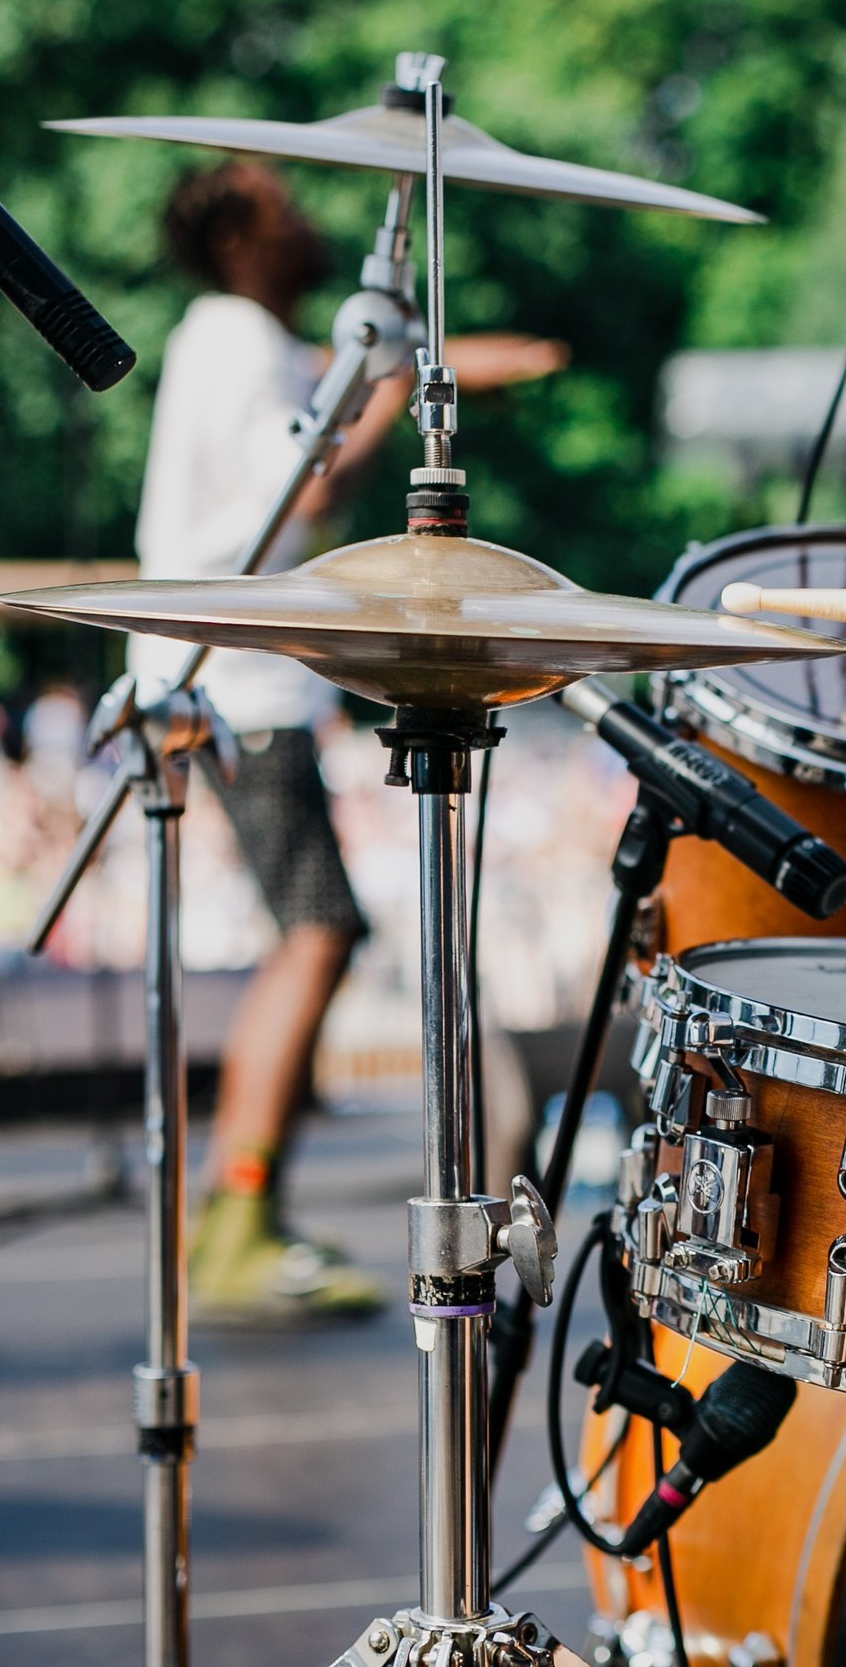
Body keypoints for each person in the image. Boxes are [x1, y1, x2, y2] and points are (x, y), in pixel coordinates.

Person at [137, 161, 565, 1324]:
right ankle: (235, 1214)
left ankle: (240, 1209)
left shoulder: (238, 339)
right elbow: (305, 484)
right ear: (234, 232)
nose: (308, 217)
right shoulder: (231, 336)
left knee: (316, 928)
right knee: (317, 931)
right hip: (228, 678)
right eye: (282, 201)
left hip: (233, 674)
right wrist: (413, 385)